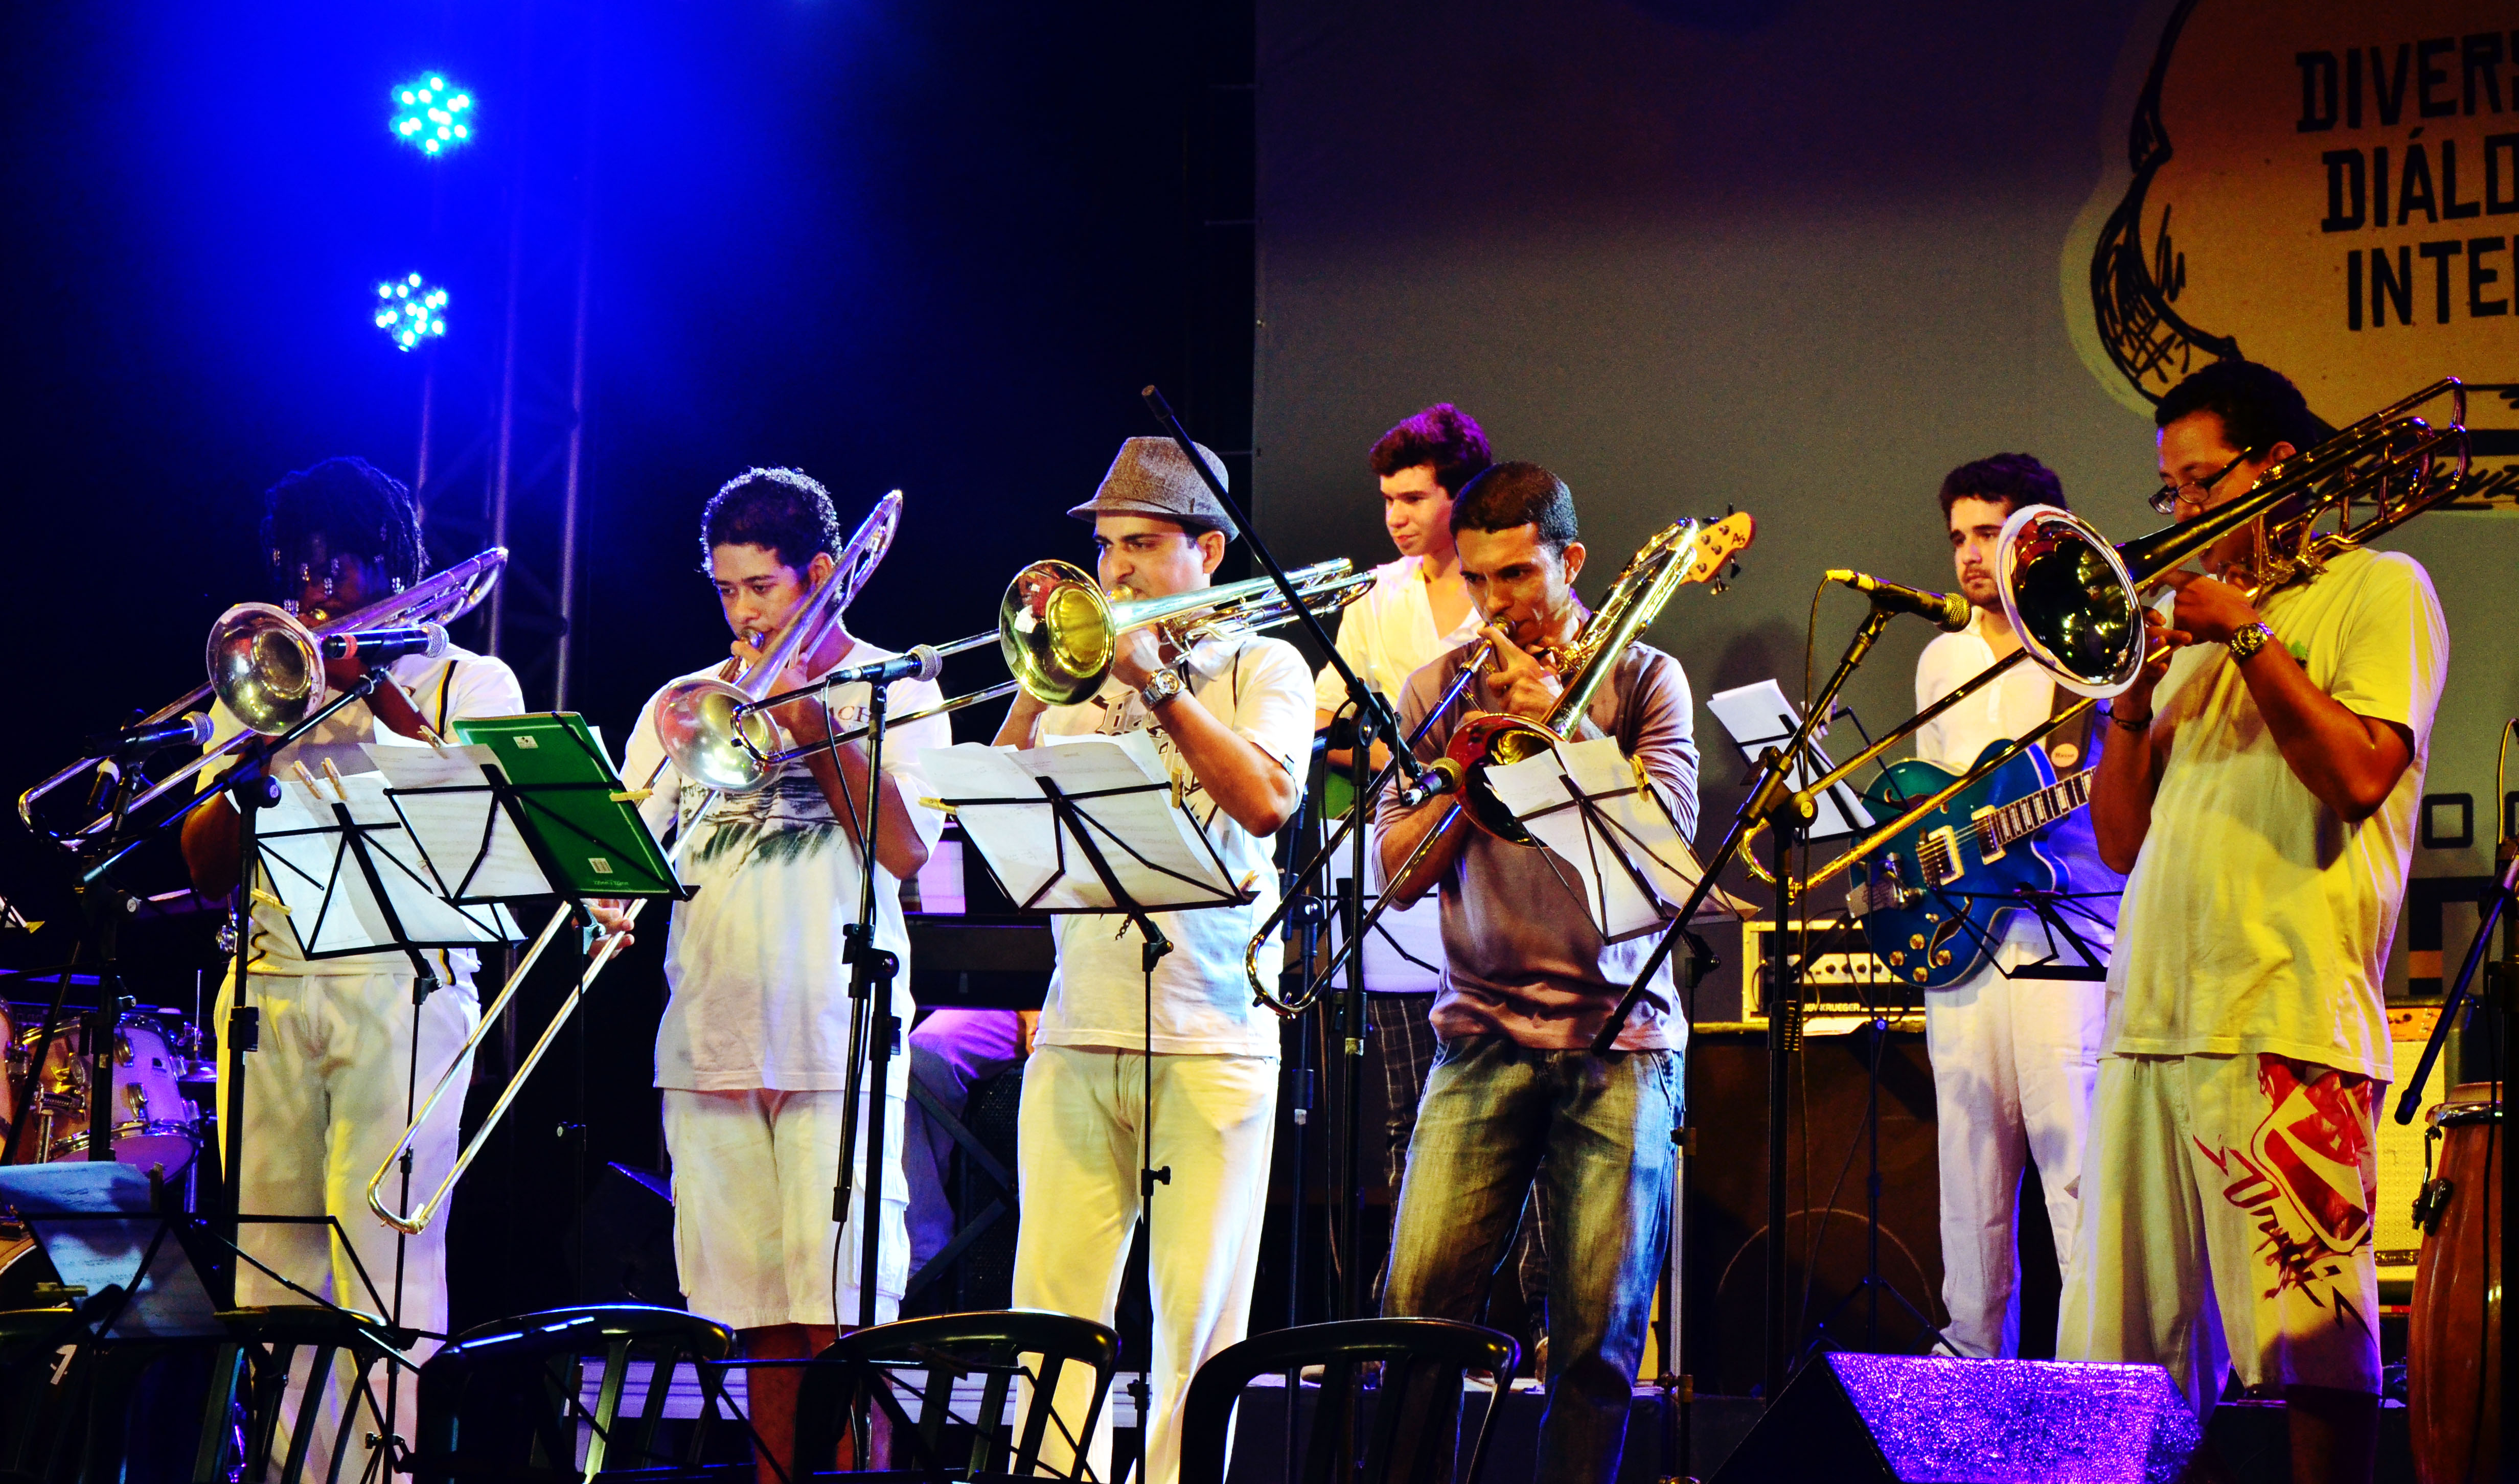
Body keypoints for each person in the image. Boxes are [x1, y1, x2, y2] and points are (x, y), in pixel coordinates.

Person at [2059, 361, 2445, 1484]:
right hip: (2150, 1019)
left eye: (2200, 482)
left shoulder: (2381, 587)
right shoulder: (2184, 632)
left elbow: (2358, 775)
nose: (2182, 509)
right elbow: (2121, 843)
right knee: (2120, 1363)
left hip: (2284, 1013)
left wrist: (2245, 636)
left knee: (2311, 1343)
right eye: (2170, 490)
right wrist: (2132, 700)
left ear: (2277, 466)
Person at [603, 468, 950, 1484]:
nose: (743, 613)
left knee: (843, 1317)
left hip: (834, 1036)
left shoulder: (898, 689)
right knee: (752, 1320)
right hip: (709, 1038)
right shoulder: (682, 706)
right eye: (726, 591)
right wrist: (606, 896)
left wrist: (814, 727)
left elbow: (905, 850)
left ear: (822, 575)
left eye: (762, 587)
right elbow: (622, 848)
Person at [181, 456, 524, 1472]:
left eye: (335, 566)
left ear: (390, 563)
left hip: (404, 991)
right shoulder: (266, 679)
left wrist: (376, 703)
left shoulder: (472, 678)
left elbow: (480, 841)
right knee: (270, 1280)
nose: (315, 590)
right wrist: (256, 745)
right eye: (298, 568)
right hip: (269, 990)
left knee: (386, 1273)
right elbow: (204, 872)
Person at [1373, 462, 1698, 1484]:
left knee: (1597, 1344)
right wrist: (1471, 771)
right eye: (1476, 579)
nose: (1494, 604)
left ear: (1571, 562)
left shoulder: (1646, 679)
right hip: (1478, 1035)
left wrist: (1568, 724)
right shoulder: (1438, 688)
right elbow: (1396, 874)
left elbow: (1666, 861)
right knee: (1413, 1322)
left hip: (1619, 1042)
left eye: (1515, 575)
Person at [994, 437, 1311, 1484]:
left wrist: (1160, 683)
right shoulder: (1079, 675)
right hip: (1079, 1025)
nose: (1115, 569)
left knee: (1199, 1331)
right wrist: (1037, 683)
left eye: (1139, 544)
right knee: (1049, 1320)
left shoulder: (1265, 665)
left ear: (1206, 552)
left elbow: (1266, 802)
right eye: (1106, 546)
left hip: (1212, 1029)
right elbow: (996, 817)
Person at [1911, 453, 2124, 1358]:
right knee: (1968, 1167)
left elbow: (2120, 788)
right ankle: (1970, 1358)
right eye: (1958, 536)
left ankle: (2096, 1367)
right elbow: (1933, 800)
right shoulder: (1942, 657)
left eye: (1990, 534)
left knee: (2074, 1159)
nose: (1970, 554)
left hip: (2065, 934)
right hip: (1968, 937)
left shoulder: (2089, 650)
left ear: (2038, 540)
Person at [1305, 405, 1520, 1302]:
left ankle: (1517, 1318)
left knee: (1507, 1106)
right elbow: (1327, 722)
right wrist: (1413, 765)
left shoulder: (1501, 589)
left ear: (1459, 497)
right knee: (1404, 1105)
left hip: (1497, 864)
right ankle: (1412, 1314)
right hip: (1407, 849)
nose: (1395, 516)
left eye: (1414, 499)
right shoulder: (1375, 598)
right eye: (1388, 499)